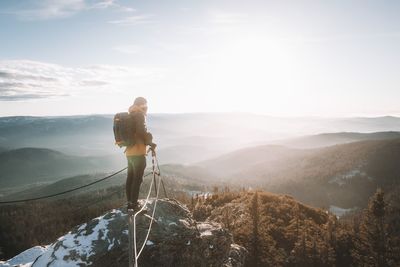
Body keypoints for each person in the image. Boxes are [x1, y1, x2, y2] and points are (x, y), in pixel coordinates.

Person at [125, 97, 156, 211]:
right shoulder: (139, 115)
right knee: (137, 179)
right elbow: (141, 131)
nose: (146, 108)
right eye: (145, 106)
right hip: (138, 152)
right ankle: (134, 205)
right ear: (141, 105)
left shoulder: (130, 114)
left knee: (130, 178)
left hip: (129, 152)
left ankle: (129, 203)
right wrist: (150, 142)